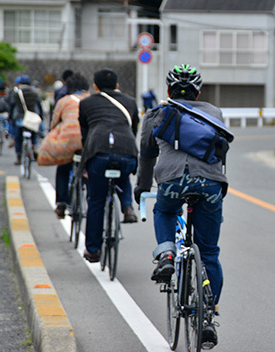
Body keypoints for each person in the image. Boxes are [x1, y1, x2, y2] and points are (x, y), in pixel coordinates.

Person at [134, 64, 228, 347]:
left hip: (172, 182)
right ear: (199, 91)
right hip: (211, 184)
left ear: (168, 90)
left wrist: (141, 186)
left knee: (164, 210)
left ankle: (166, 256)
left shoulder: (156, 114)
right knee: (208, 252)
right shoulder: (213, 112)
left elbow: (147, 156)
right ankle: (208, 317)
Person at [78, 68, 140, 263]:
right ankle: (128, 207)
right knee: (123, 173)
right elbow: (134, 128)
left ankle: (93, 250)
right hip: (127, 150)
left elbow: (85, 133)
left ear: (95, 86)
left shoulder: (86, 103)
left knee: (96, 201)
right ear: (117, 85)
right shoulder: (130, 102)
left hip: (99, 151)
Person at [50, 73, 90, 219]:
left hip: (68, 142)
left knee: (63, 167)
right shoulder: (92, 99)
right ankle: (90, 199)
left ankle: (61, 203)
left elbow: (54, 124)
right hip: (88, 142)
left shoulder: (63, 101)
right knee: (90, 167)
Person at [9, 75, 44, 165]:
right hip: (32, 118)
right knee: (34, 133)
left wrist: (10, 117)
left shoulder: (17, 93)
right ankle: (34, 147)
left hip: (20, 117)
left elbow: (12, 106)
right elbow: (39, 106)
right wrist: (41, 116)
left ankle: (19, 156)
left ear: (20, 83)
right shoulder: (35, 93)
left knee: (18, 138)